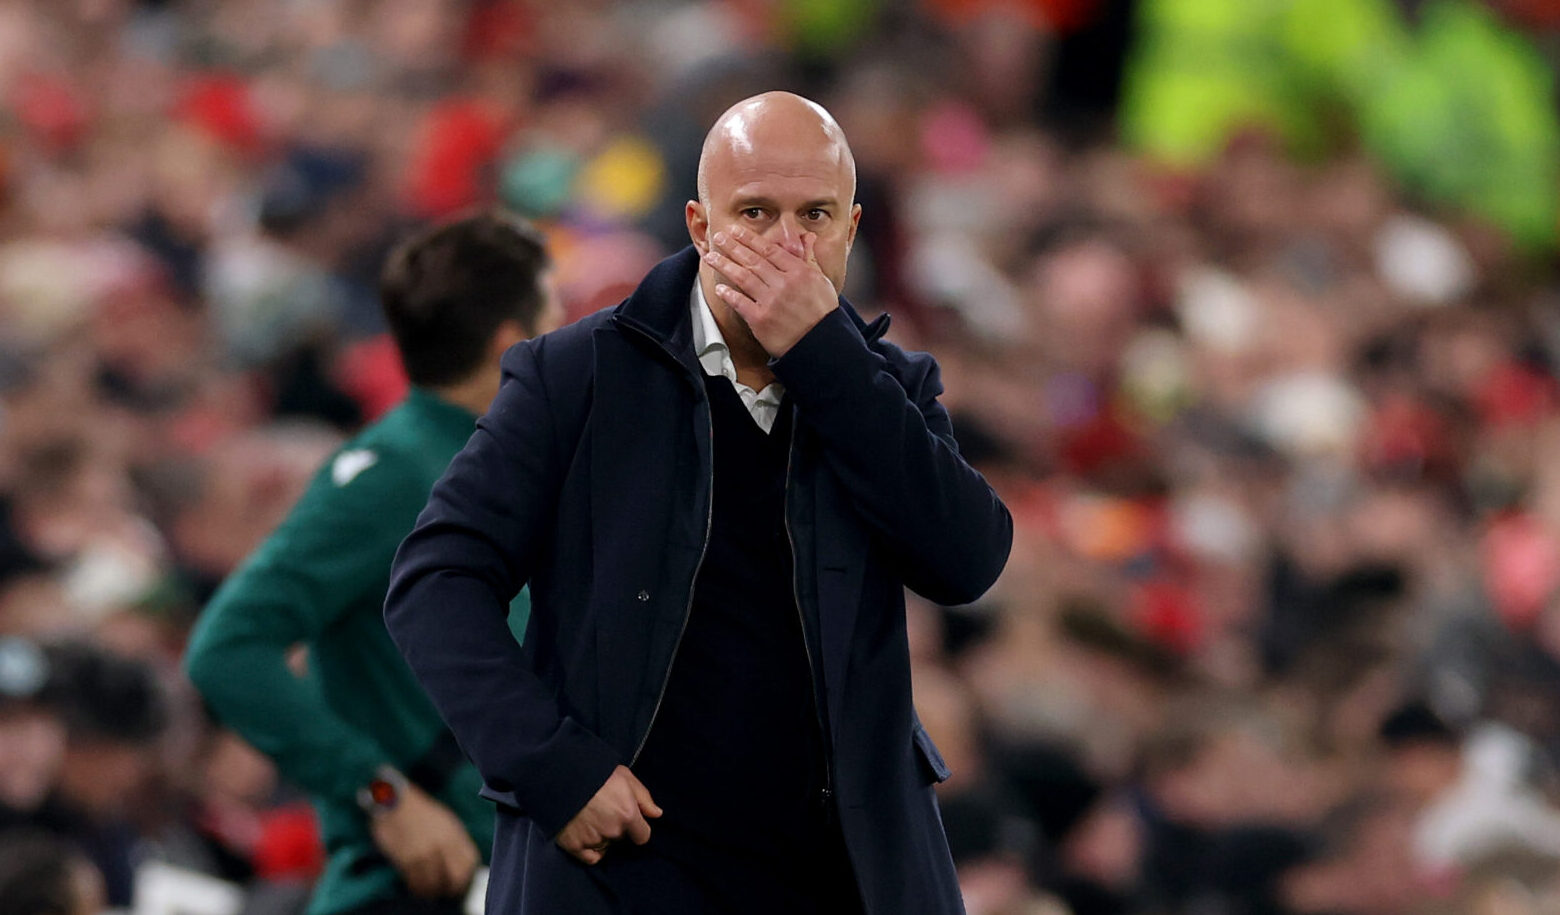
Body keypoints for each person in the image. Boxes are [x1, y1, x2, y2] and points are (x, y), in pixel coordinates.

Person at [384, 92, 1014, 913]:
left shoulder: (888, 388)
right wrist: (550, 764)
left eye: (815, 215)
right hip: (625, 869)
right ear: (699, 225)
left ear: (853, 231)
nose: (788, 246)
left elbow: (966, 560)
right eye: (755, 212)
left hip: (836, 875)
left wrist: (826, 357)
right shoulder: (576, 377)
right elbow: (436, 580)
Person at [185, 210, 562, 915]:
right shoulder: (390, 472)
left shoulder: (500, 463)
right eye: (557, 314)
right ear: (514, 342)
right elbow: (227, 645)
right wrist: (381, 792)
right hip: (412, 890)